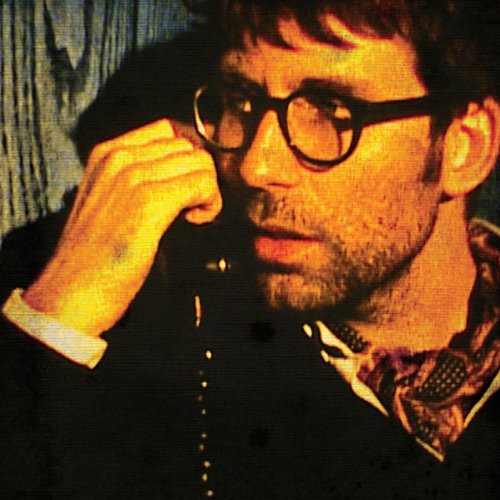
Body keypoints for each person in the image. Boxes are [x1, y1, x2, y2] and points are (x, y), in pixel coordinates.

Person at [1, 0, 499, 497]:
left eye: (332, 111)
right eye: (241, 102)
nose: (255, 167)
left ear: (465, 148)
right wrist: (55, 323)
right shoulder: (144, 334)